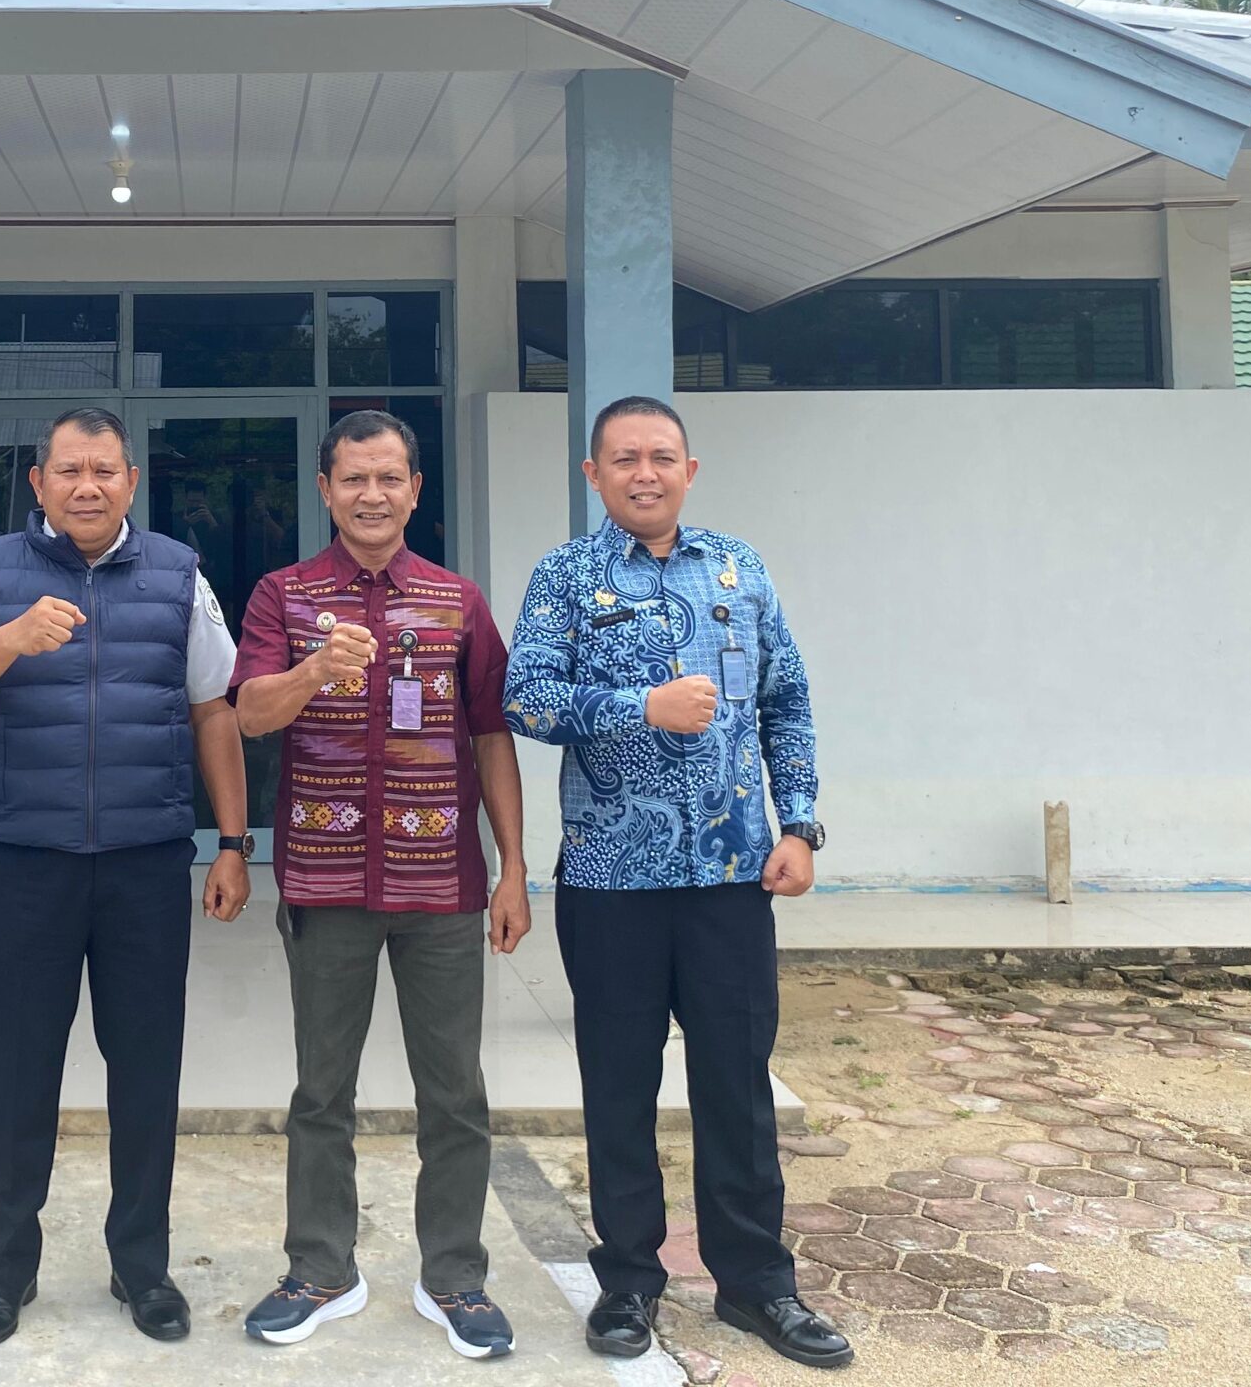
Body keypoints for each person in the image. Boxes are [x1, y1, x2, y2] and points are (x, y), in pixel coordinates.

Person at [503, 397, 850, 1372]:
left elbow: (786, 698)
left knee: (735, 1083)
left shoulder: (739, 569)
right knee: (618, 1085)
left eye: (661, 457)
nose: (644, 473)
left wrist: (800, 824)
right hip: (610, 879)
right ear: (594, 475)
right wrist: (640, 705)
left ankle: (755, 1283)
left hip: (732, 874)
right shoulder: (565, 576)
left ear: (689, 470)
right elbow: (524, 698)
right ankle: (627, 1281)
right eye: (624, 459)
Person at [0, 404, 252, 1348]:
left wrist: (233, 840)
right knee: (16, 1070)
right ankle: (5, 1270)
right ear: (39, 482)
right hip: (29, 863)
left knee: (146, 1069)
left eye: (105, 469)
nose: (88, 486)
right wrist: (11, 638)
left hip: (147, 863)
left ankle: (142, 1265)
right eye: (69, 470)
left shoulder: (179, 574)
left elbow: (214, 707)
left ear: (131, 481)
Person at [229, 409, 531, 1361]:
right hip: (326, 885)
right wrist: (317, 667)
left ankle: (456, 1278)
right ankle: (321, 1269)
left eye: (389, 477)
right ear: (325, 490)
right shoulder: (284, 595)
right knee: (322, 1090)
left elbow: (491, 735)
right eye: (354, 479)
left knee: (456, 1092)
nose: (372, 495)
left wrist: (515, 868)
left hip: (442, 886)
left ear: (415, 490)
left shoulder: (458, 601)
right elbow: (249, 714)